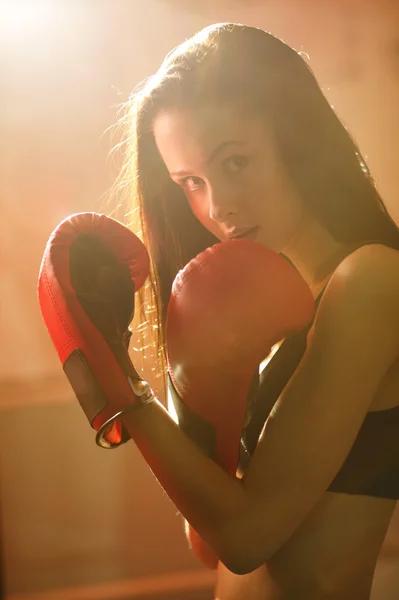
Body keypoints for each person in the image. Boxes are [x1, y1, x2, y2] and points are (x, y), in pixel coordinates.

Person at [113, 23, 399, 599]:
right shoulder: (260, 308)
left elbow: (248, 538)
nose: (218, 206)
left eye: (236, 163)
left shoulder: (369, 281)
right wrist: (190, 383)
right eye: (190, 181)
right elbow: (209, 541)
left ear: (296, 139)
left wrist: (110, 384)